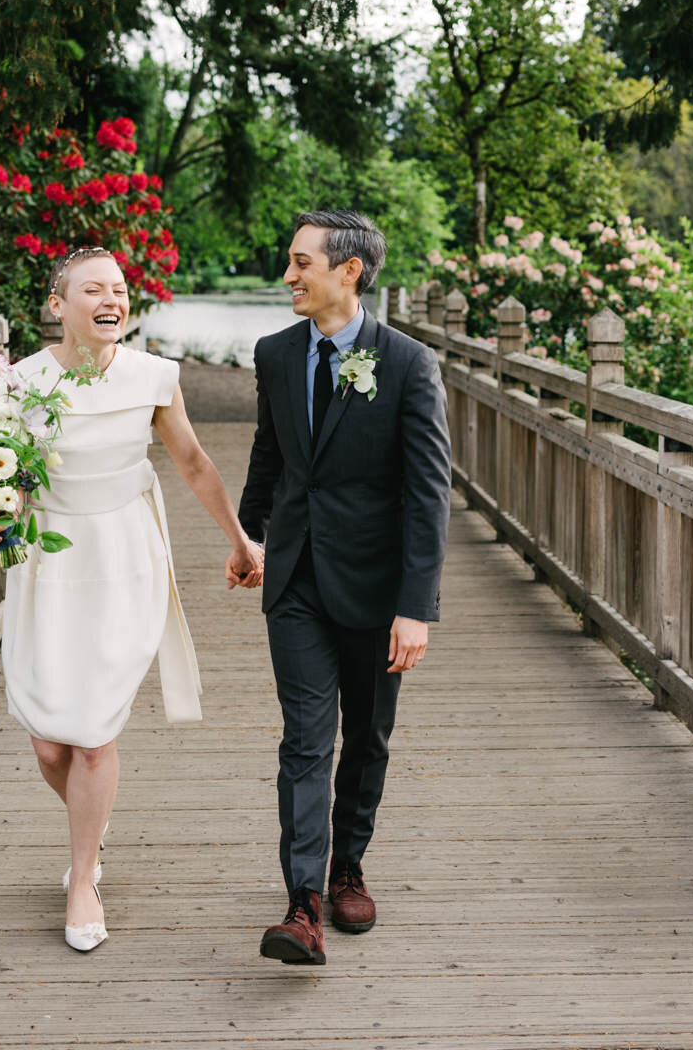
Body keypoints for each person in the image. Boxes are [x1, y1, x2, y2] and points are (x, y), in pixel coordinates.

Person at [0, 246, 263, 953]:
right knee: (50, 744)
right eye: (92, 289)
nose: (111, 300)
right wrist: (0, 517)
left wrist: (241, 540)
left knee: (96, 734)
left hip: (126, 553)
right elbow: (5, 475)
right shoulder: (20, 383)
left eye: (120, 289)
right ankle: (92, 817)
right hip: (48, 555)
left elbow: (194, 462)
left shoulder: (153, 377)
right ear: (58, 305)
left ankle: (82, 879)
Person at [227, 210, 453, 966]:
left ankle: (348, 864)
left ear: (349, 270)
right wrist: (248, 533)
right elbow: (271, 448)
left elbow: (428, 497)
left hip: (376, 586)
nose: (288, 275)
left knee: (367, 738)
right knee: (305, 738)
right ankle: (303, 903)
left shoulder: (411, 364)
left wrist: (415, 609)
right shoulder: (275, 353)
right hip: (294, 577)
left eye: (301, 262)